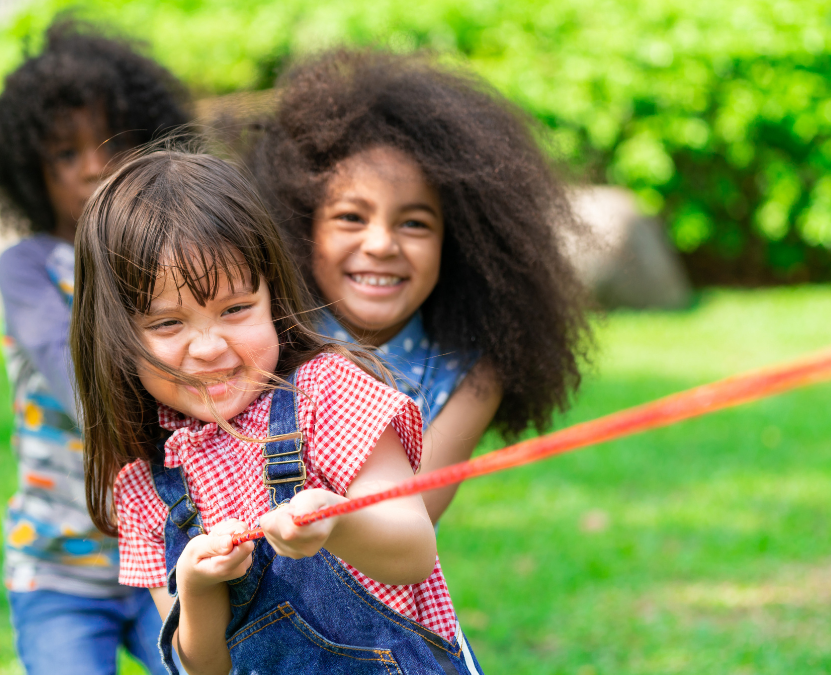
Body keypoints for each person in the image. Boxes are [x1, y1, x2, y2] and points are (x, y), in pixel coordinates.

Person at [69, 150, 483, 675]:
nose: (208, 347)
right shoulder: (144, 485)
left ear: (272, 297)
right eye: (168, 324)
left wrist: (337, 524)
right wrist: (196, 587)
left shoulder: (326, 393)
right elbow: (205, 668)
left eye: (235, 309)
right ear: (116, 339)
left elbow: (414, 549)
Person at [248, 49, 591, 522]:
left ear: (461, 245)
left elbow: (411, 521)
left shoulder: (472, 374)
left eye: (414, 224)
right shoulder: (268, 332)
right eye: (351, 217)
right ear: (301, 226)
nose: (382, 244)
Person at [0, 18, 189, 675]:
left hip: (178, 550)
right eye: (66, 154)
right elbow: (77, 383)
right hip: (61, 563)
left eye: (111, 143)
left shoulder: (176, 260)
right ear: (30, 173)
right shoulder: (30, 267)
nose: (94, 165)